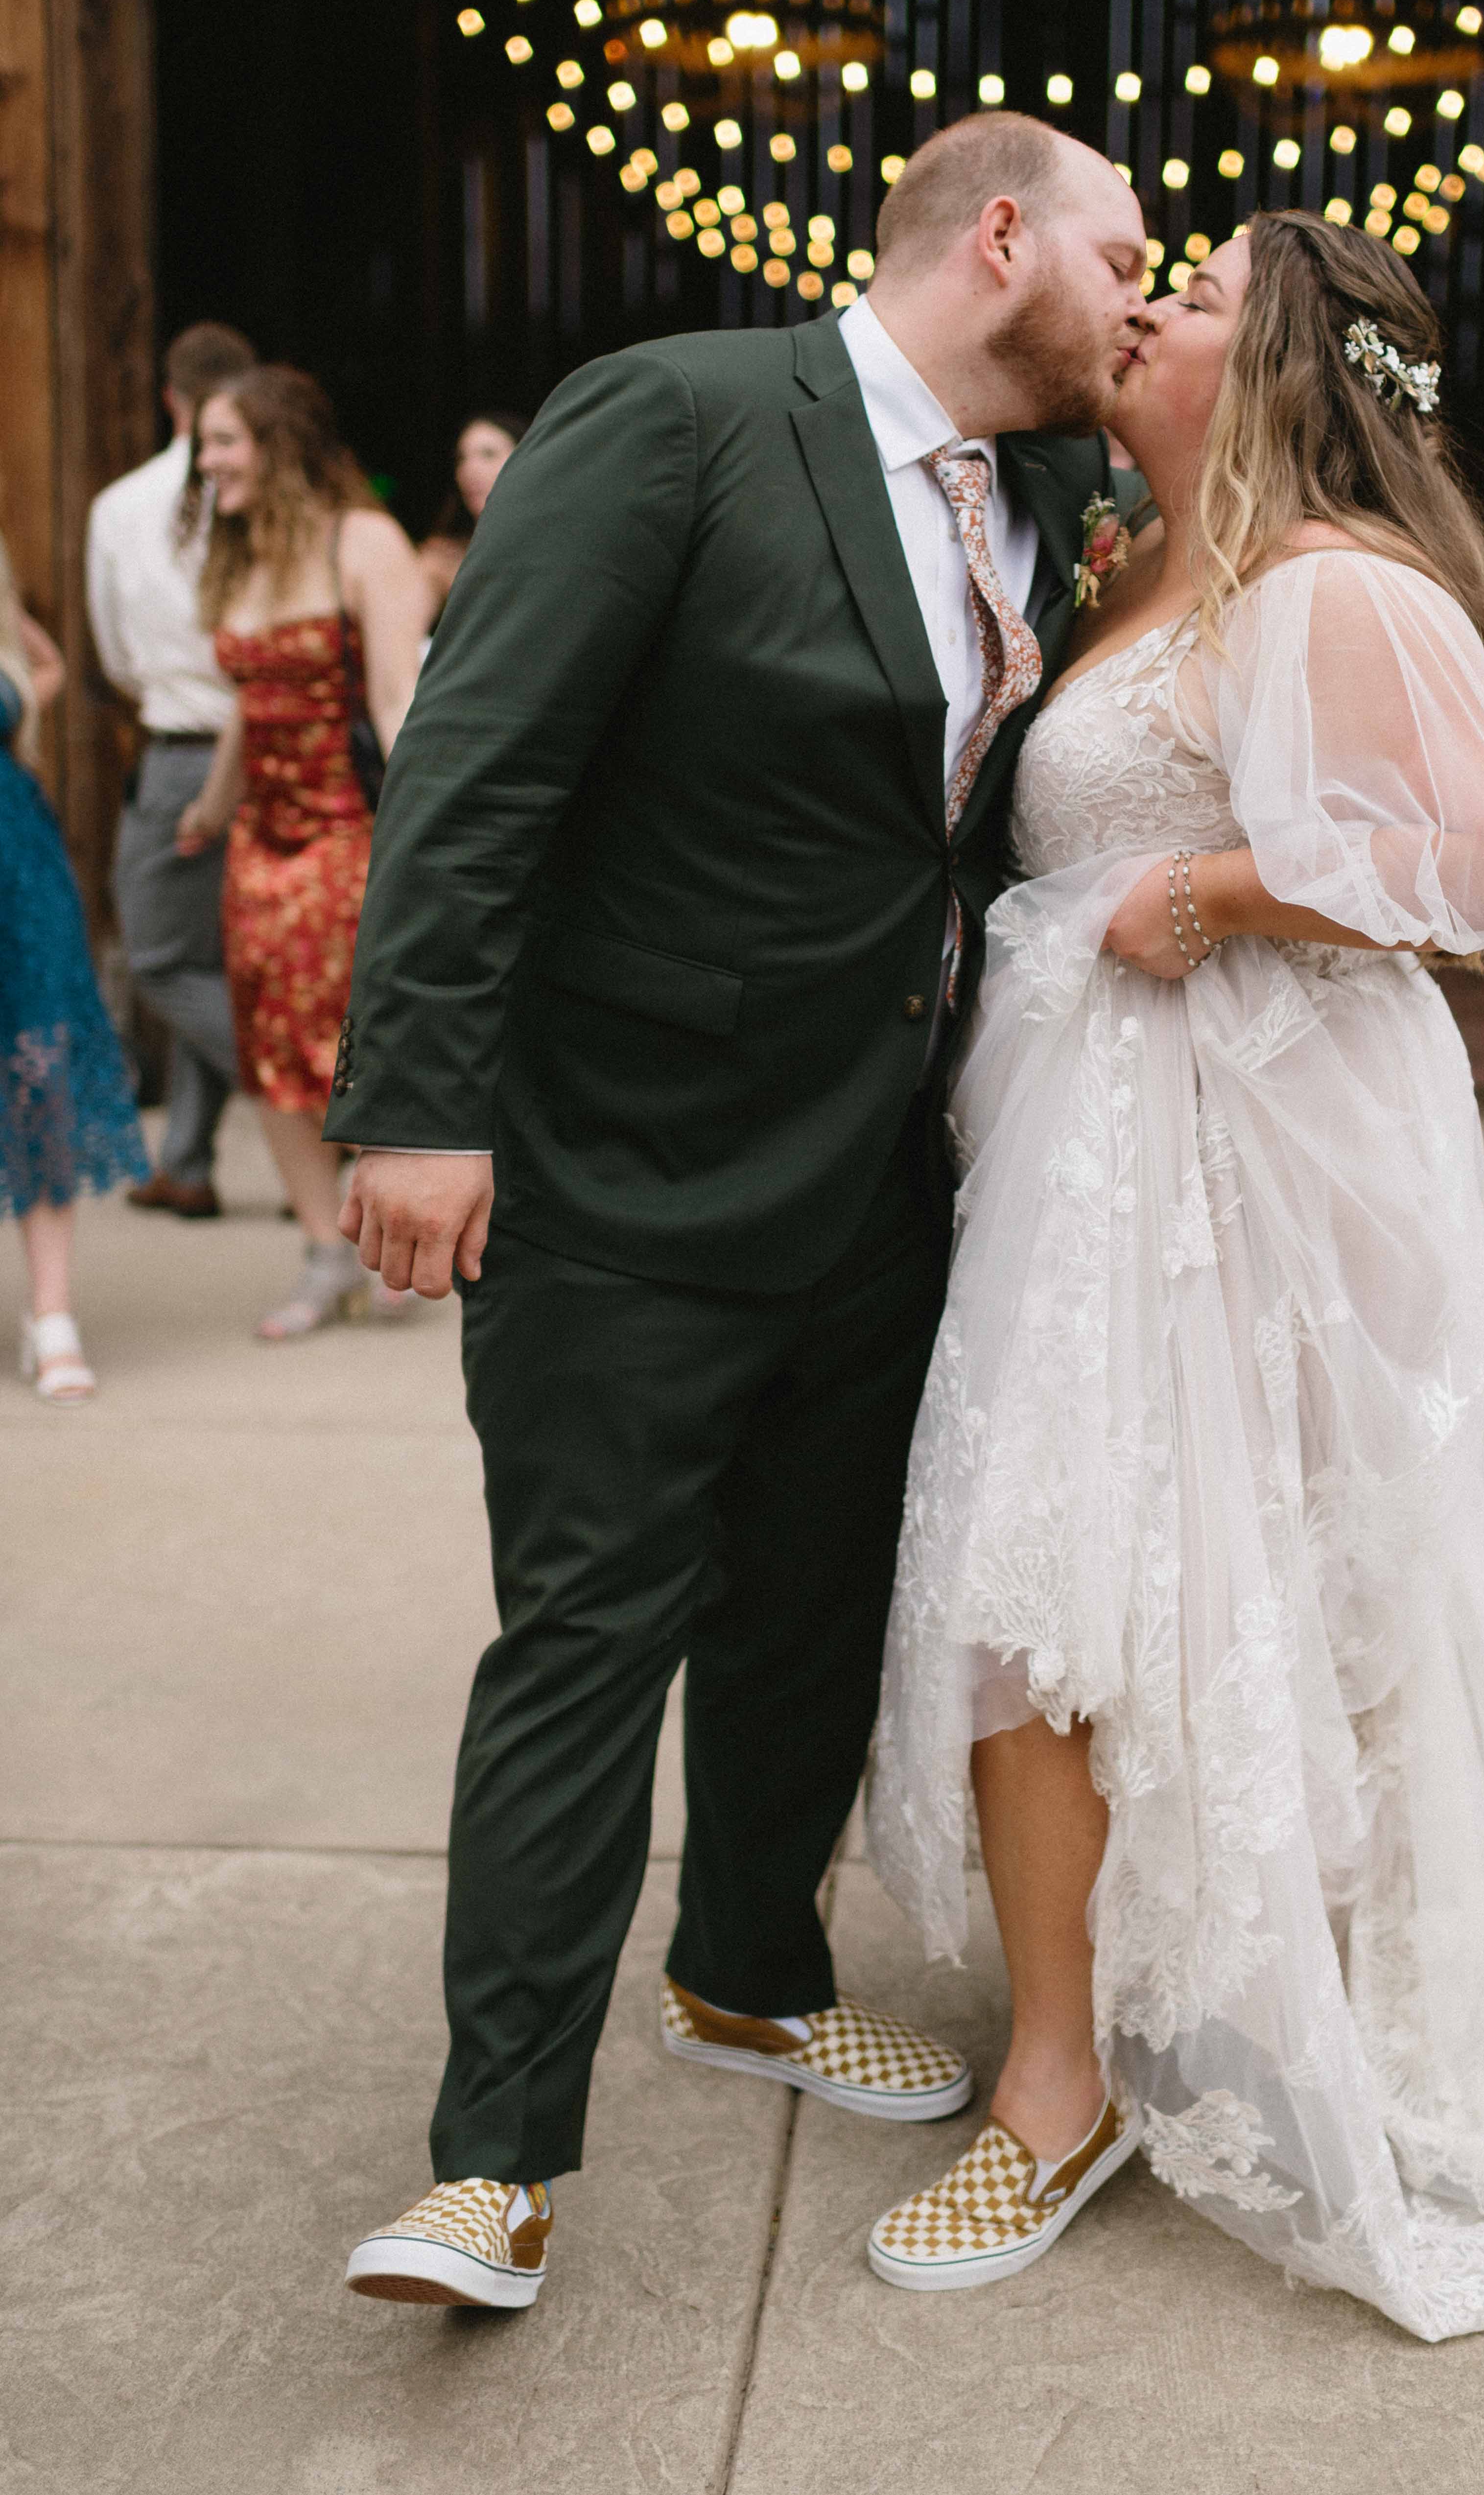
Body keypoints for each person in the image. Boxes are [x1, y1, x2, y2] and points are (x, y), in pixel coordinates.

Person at [322, 112, 1154, 2311]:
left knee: (807, 1602)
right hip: (621, 1167)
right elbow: (481, 766)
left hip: (895, 1164)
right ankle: (487, 2161)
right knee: (591, 1630)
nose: (1142, 296)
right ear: (1002, 238)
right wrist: (415, 1103)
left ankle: (749, 1963)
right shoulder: (682, 416)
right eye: (1122, 249)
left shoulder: (1067, 492)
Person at [867, 215, 1484, 2338]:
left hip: (1240, 1167)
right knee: (1077, 1582)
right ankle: (1105, 2017)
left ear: (1288, 372)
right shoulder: (1141, 558)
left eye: (1206, 293)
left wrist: (1218, 884)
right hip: (1096, 1151)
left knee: (1081, 1581)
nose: (1155, 306)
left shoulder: (1330, 579)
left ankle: (1064, 2080)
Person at [172, 367, 427, 1340]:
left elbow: (396, 700)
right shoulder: (236, 550)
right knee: (267, 1049)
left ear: (278, 444)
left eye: (223, 442)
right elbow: (250, 707)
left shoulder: (360, 541)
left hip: (344, 831)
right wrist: (209, 805)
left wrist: (424, 837)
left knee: (344, 1042)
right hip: (258, 840)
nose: (208, 465)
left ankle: (384, 1237)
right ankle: (325, 1251)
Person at [87, 319, 257, 1218]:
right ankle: (187, 1162)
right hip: (269, 747)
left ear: (170, 398)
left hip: (184, 752)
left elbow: (115, 655)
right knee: (209, 958)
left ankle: (315, 1100)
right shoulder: (262, 494)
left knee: (156, 958)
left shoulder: (120, 506)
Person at [0, 537, 149, 1398]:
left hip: (14, 860)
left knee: (38, 1069)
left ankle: (51, 1312)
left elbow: (45, 664)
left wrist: (23, 693)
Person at [418, 412, 529, 626]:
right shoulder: (441, 558)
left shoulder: (556, 544)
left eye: (488, 454)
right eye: (462, 458)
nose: (470, 469)